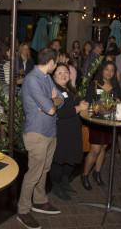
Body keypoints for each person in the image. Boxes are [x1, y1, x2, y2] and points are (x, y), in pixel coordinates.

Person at [17, 48, 63, 229]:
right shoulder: (32, 79)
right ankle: (23, 210)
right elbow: (51, 109)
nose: (57, 64)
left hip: (50, 131)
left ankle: (39, 200)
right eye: (57, 61)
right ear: (51, 62)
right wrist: (51, 103)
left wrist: (52, 101)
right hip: (36, 133)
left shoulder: (46, 77)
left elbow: (59, 99)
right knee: (34, 173)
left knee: (44, 169)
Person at [49, 63, 89, 200]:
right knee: (59, 159)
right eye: (59, 72)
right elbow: (61, 112)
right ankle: (56, 186)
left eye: (66, 72)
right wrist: (79, 107)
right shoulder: (54, 90)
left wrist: (83, 106)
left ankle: (65, 183)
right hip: (61, 130)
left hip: (73, 128)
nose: (63, 75)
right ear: (53, 76)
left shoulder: (71, 89)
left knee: (70, 157)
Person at [81, 61, 121, 190]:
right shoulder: (93, 85)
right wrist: (100, 106)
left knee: (104, 148)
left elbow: (120, 101)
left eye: (111, 70)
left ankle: (97, 173)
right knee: (95, 150)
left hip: (109, 122)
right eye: (106, 69)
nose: (109, 72)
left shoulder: (116, 86)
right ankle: (85, 175)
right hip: (96, 121)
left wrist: (118, 102)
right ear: (102, 71)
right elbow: (88, 103)